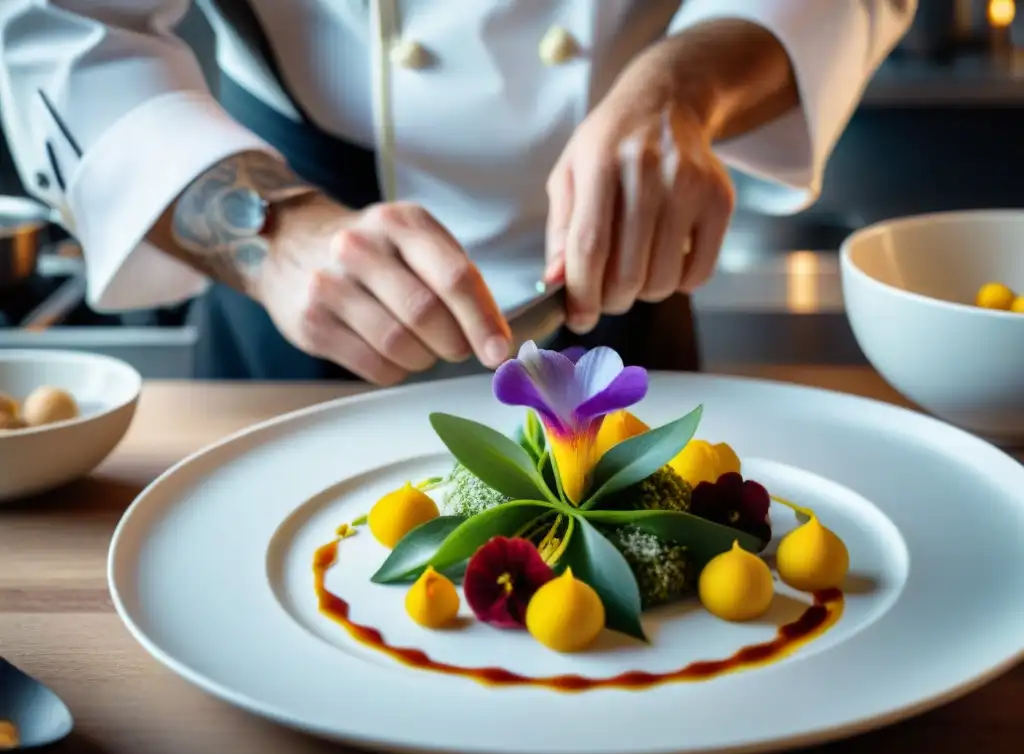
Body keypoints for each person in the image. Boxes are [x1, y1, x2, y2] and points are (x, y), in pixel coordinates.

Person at [0, 1, 914, 383]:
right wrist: (272, 233)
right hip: (295, 265)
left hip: (630, 265)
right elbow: (64, 22)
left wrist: (688, 82)